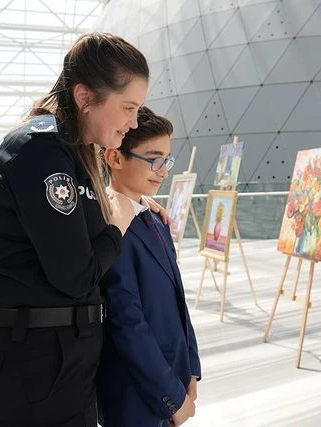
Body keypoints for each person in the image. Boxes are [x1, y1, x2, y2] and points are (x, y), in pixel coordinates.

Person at [0, 32, 152, 426]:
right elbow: (75, 276)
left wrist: (136, 203)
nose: (133, 123)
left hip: (58, 365)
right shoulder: (40, 150)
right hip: (30, 367)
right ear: (84, 97)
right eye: (128, 107)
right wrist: (116, 227)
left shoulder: (74, 155)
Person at [97, 106, 201, 427]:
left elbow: (177, 301)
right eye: (154, 159)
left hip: (172, 380)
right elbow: (127, 322)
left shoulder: (156, 217)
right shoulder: (111, 227)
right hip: (134, 393)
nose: (164, 170)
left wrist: (191, 370)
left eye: (167, 160)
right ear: (115, 158)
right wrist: (170, 397)